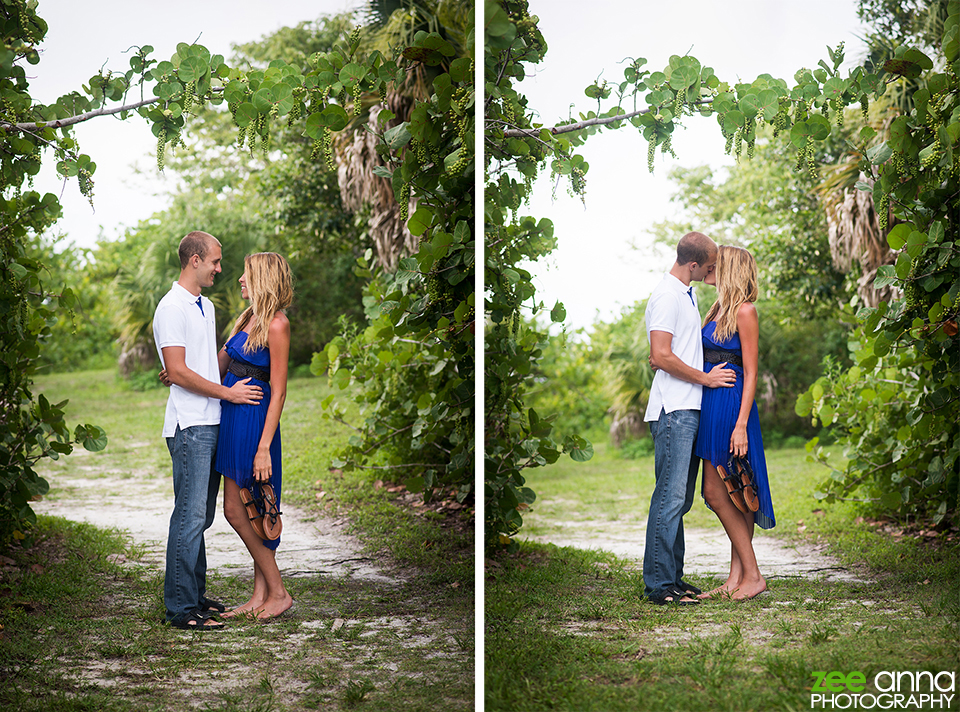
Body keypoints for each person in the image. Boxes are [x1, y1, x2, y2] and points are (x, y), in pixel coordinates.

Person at [153, 231, 263, 630]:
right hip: (190, 425)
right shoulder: (171, 308)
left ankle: (195, 596)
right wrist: (227, 393)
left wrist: (188, 375)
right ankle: (181, 609)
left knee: (200, 516)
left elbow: (196, 366)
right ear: (195, 260)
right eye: (215, 261)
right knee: (189, 516)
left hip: (211, 419)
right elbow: (180, 371)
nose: (220, 268)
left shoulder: (206, 305)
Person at [642, 231, 737, 606]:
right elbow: (661, 355)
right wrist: (706, 378)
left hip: (689, 408)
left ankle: (673, 578)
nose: (713, 272)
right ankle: (659, 585)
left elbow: (672, 351)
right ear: (693, 265)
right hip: (673, 410)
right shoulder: (667, 295)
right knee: (669, 498)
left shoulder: (687, 294)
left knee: (679, 501)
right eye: (709, 266)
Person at [216, 252, 295, 620]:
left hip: (254, 421)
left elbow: (279, 392)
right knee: (250, 510)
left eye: (246, 274)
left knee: (239, 509)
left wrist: (264, 448)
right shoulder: (248, 317)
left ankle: (278, 592)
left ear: (262, 278)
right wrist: (179, 371)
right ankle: (258, 596)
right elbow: (220, 364)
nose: (240, 280)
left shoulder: (278, 324)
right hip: (233, 416)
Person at [695, 245, 775, 600]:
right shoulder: (716, 308)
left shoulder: (745, 311)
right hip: (712, 402)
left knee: (721, 490)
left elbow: (752, 371)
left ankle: (753, 576)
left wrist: (741, 424)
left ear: (729, 269)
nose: (709, 267)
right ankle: (734, 579)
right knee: (732, 491)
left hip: (732, 405)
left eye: (716, 264)